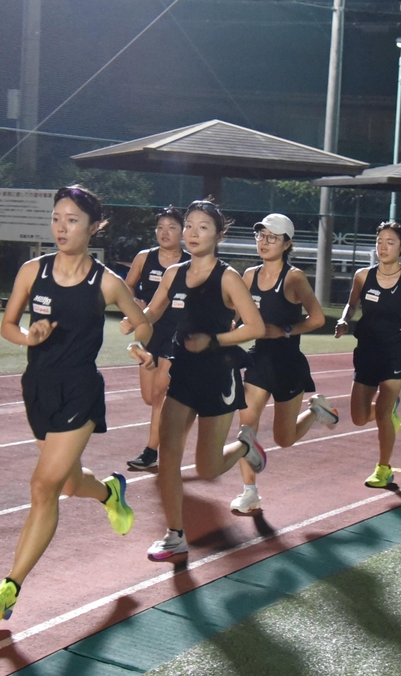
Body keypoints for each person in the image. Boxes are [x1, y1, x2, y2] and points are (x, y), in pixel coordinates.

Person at [0, 185, 154, 621]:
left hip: (79, 391)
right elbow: (7, 325)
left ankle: (9, 588)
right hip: (37, 387)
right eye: (57, 218)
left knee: (43, 487)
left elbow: (143, 322)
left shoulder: (106, 282)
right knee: (70, 484)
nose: (61, 227)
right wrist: (27, 336)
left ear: (94, 227)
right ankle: (110, 491)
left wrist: (142, 344)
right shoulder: (32, 271)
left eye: (72, 220)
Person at [129, 198, 265, 561]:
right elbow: (151, 313)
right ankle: (175, 535)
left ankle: (245, 445)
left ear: (218, 234)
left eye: (202, 227)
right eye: (188, 225)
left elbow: (255, 327)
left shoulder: (228, 277)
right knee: (168, 453)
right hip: (183, 373)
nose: (191, 233)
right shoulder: (174, 273)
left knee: (206, 469)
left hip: (218, 375)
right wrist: (135, 327)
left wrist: (214, 340)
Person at [230, 213, 340, 514]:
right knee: (246, 429)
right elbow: (237, 314)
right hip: (259, 358)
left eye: (272, 237)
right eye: (260, 235)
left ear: (287, 243)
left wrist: (286, 330)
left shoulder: (293, 278)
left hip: (288, 362)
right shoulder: (249, 275)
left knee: (284, 438)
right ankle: (249, 492)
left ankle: (317, 410)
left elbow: (317, 318)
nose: (263, 242)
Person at [334, 221, 401, 489]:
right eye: (380, 241)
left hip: (394, 353)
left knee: (382, 412)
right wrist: (344, 319)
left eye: (390, 242)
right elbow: (351, 303)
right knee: (359, 417)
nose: (383, 247)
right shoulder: (363, 276)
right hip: (366, 351)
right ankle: (390, 414)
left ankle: (384, 468)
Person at [124, 206, 191, 471]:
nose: (165, 232)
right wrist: (135, 305)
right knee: (150, 397)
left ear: (182, 232)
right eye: (160, 227)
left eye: (171, 227)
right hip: (149, 330)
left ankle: (152, 450)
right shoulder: (145, 257)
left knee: (160, 391)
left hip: (176, 332)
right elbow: (127, 285)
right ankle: (179, 415)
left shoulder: (189, 261)